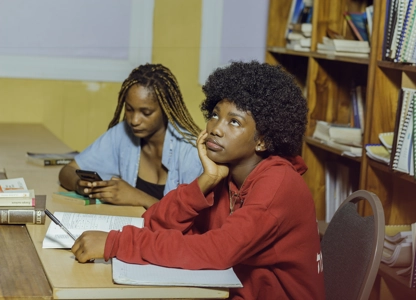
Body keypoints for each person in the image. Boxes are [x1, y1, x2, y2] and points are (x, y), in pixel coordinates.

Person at [71, 61, 325, 299]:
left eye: (234, 121)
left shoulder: (278, 184)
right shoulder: (224, 174)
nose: (215, 127)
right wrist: (204, 182)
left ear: (263, 140)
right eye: (215, 114)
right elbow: (154, 223)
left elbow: (218, 251)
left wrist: (117, 243)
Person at [59, 63, 203, 208]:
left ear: (167, 110)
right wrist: (79, 184)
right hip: (134, 228)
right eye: (129, 109)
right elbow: (67, 171)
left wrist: (139, 197)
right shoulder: (123, 133)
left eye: (146, 113)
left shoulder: (192, 153)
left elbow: (195, 224)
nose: (134, 120)